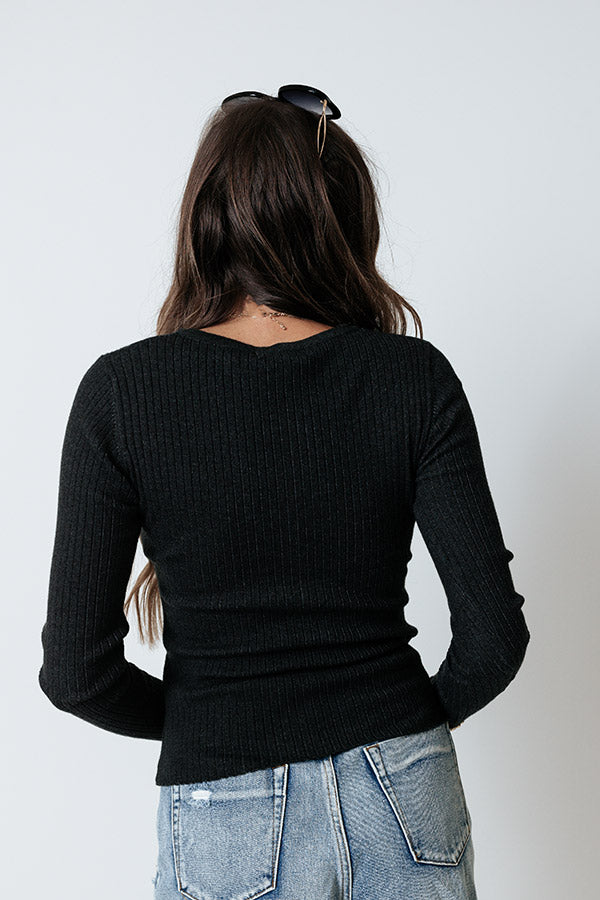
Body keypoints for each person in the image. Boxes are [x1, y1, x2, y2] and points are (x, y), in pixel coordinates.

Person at [38, 85, 530, 900]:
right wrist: (397, 728)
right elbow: (494, 638)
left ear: (208, 216)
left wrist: (211, 723)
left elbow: (75, 674)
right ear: (344, 217)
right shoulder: (412, 380)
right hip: (405, 789)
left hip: (223, 801)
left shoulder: (123, 394)